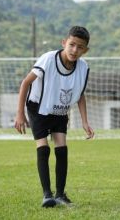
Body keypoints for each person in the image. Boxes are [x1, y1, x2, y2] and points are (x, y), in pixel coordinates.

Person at [15, 26, 94, 208]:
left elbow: (80, 94)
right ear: (64, 42)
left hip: (59, 110)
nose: (75, 50)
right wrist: (20, 113)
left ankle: (60, 194)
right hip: (38, 109)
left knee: (62, 148)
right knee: (43, 148)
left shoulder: (83, 67)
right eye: (72, 45)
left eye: (80, 47)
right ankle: (47, 195)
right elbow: (26, 83)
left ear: (85, 50)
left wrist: (84, 121)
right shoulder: (48, 59)